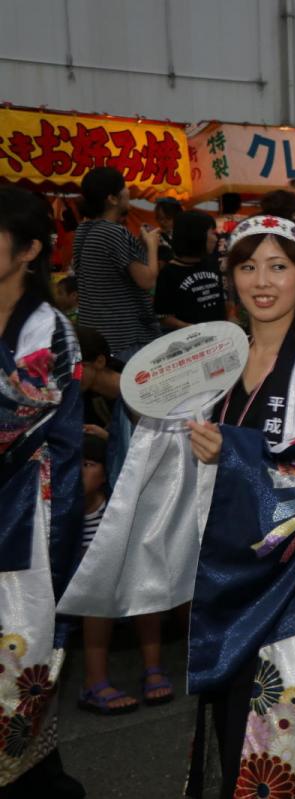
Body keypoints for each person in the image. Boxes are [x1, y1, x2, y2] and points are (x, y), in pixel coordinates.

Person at [61, 216, 295, 798]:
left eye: (279, 266)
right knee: (233, 741)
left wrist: (238, 452)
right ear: (229, 276)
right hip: (229, 580)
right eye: (248, 266)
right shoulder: (223, 362)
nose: (262, 281)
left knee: (272, 757)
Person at [0, 186, 85, 798]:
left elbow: (15, 418)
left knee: (17, 670)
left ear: (29, 249)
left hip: (28, 520)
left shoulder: (48, 329)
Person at [77, 433, 175, 717]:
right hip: (85, 589)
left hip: (116, 576)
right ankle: (94, 682)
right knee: (97, 595)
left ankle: (153, 668)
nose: (80, 472)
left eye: (88, 464)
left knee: (143, 582)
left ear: (105, 471)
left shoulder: (112, 509)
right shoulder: (62, 512)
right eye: (75, 464)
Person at [73, 166, 161, 356]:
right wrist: (153, 245)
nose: (128, 191)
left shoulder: (84, 230)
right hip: (124, 337)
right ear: (112, 199)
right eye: (124, 187)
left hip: (96, 333)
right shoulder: (114, 232)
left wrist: (140, 247)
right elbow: (148, 281)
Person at [155, 210, 225, 329]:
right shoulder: (169, 274)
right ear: (196, 235)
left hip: (221, 337)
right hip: (193, 343)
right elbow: (163, 317)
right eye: (212, 232)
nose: (215, 238)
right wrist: (192, 328)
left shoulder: (211, 263)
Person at [153, 196, 183, 263]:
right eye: (159, 218)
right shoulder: (156, 236)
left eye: (167, 218)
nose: (162, 222)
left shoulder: (184, 235)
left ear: (177, 217)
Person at [215, 192, 244, 257]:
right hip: (238, 257)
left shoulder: (212, 222)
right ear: (239, 205)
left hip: (217, 258)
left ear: (221, 204)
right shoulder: (245, 222)